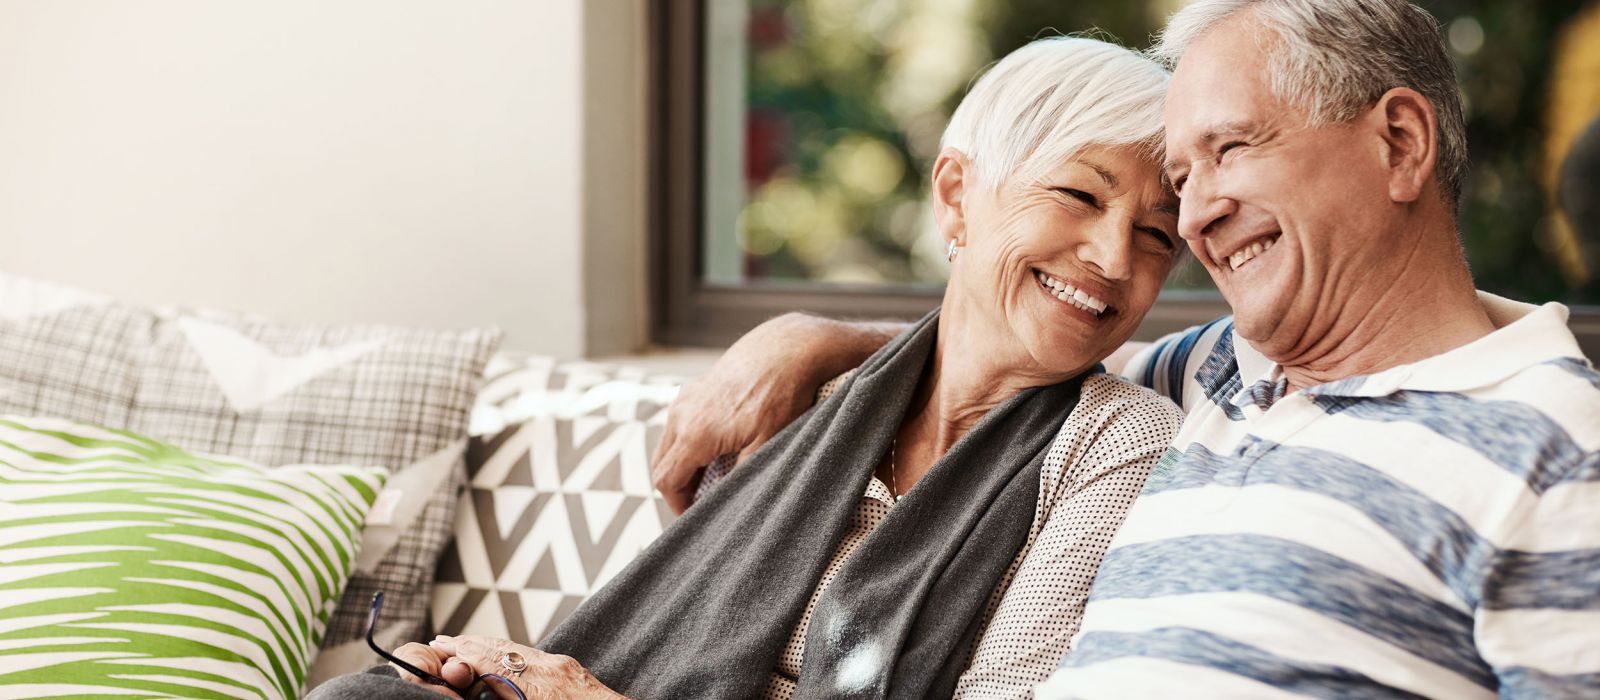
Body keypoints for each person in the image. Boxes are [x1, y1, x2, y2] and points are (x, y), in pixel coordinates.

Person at [652, 1, 1600, 698]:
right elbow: (1012, 349)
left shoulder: (1558, 451)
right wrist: (812, 341)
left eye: (1229, 150)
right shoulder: (1220, 373)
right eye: (1182, 179)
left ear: (1398, 142)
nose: (1195, 218)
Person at [311, 36, 1189, 700]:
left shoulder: (1119, 445)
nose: (1115, 257)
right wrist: (497, 672)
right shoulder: (808, 399)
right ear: (957, 194)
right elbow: (663, 646)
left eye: (1158, 234)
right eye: (1079, 194)